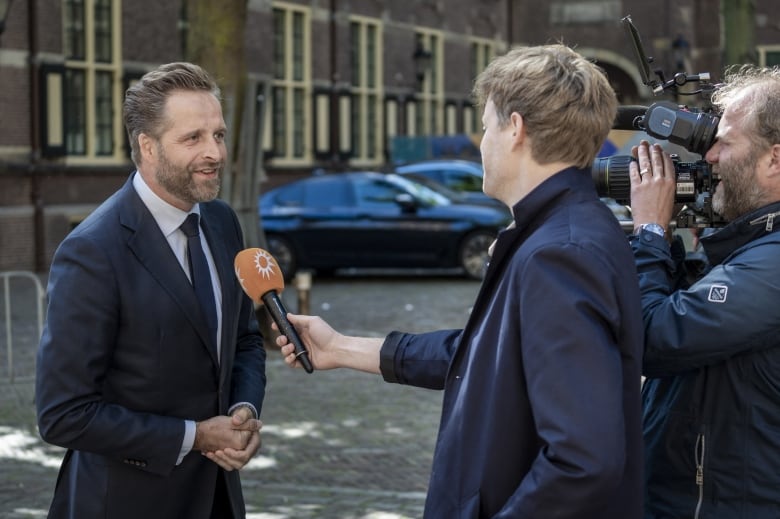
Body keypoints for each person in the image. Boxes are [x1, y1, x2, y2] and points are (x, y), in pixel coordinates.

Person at [277, 44, 644, 518]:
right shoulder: (561, 232)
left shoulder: (559, 253)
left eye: (487, 125)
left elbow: (583, 461)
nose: (481, 141)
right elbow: (484, 359)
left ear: (515, 129)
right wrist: (341, 348)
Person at [35, 62, 267, 519]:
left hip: (219, 499)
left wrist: (243, 411)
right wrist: (197, 436)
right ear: (147, 146)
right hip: (124, 503)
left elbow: (244, 341)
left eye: (218, 135)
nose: (215, 152)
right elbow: (63, 413)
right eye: (193, 138)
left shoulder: (222, 222)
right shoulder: (92, 251)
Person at [630, 66, 780, 518]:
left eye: (726, 143)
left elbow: (653, 339)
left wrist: (650, 230)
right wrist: (667, 246)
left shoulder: (773, 262)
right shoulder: (756, 245)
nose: (710, 157)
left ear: (775, 159)